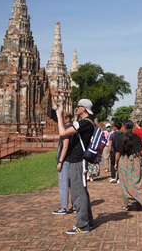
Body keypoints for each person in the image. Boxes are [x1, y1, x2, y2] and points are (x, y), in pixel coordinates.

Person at [57, 99, 95, 234]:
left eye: (78, 106)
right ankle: (88, 222)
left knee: (78, 192)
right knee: (81, 191)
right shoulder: (85, 123)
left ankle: (82, 225)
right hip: (76, 160)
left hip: (78, 160)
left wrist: (59, 115)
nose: (76, 108)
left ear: (84, 108)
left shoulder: (85, 123)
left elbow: (62, 133)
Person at [117, 120, 142, 211]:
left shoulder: (122, 138)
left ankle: (127, 204)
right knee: (137, 181)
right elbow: (140, 151)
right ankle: (139, 202)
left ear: (124, 127)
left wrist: (115, 163)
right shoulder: (137, 138)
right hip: (135, 160)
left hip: (124, 161)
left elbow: (118, 153)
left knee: (125, 183)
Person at [52, 112, 75, 215]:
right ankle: (74, 206)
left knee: (64, 184)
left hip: (65, 160)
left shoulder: (67, 130)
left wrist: (60, 161)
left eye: (62, 119)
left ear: (66, 119)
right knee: (71, 184)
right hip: (71, 160)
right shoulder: (73, 128)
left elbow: (65, 146)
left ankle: (63, 208)